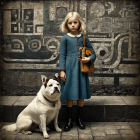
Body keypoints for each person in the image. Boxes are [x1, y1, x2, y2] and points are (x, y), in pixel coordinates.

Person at [59, 12, 96, 131]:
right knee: (70, 93)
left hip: (81, 69)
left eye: (75, 22)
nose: (73, 25)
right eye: (70, 23)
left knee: (81, 93)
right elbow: (62, 55)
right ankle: (69, 120)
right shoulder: (65, 38)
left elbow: (93, 53)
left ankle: (79, 119)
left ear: (79, 23)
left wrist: (89, 58)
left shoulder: (84, 38)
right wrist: (62, 70)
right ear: (67, 24)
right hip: (69, 68)